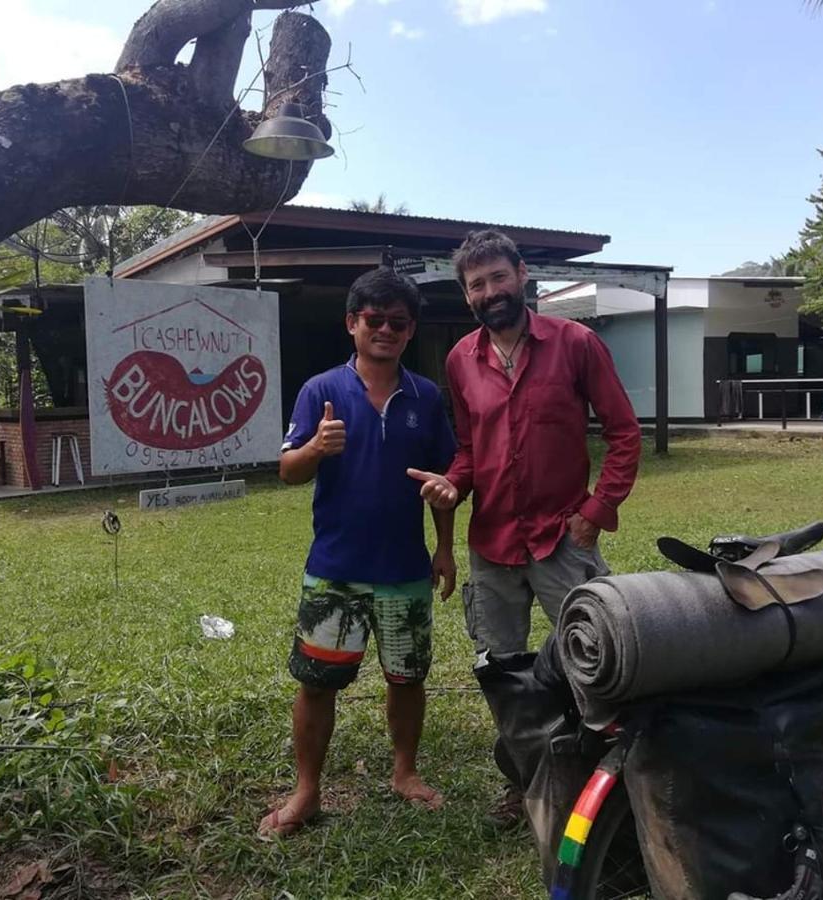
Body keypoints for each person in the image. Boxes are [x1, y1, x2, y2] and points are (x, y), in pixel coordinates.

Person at [408, 229, 641, 824]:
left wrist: (596, 512)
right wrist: (453, 484)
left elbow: (623, 433)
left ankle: (615, 784)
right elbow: (468, 448)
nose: (491, 291)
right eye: (477, 284)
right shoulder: (461, 360)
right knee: (504, 672)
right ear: (467, 296)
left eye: (499, 277)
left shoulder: (576, 343)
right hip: (492, 544)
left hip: (562, 537)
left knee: (598, 657)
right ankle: (525, 782)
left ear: (522, 277)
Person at [259, 267, 458, 838]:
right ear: (352, 323)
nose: (386, 330)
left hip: (404, 570)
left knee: (407, 678)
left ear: (410, 330)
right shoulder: (321, 390)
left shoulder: (425, 396)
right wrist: (317, 448)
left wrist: (444, 549)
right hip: (336, 571)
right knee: (317, 682)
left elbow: (442, 482)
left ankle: (405, 773)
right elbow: (288, 472)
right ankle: (307, 791)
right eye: (375, 319)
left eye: (398, 322)